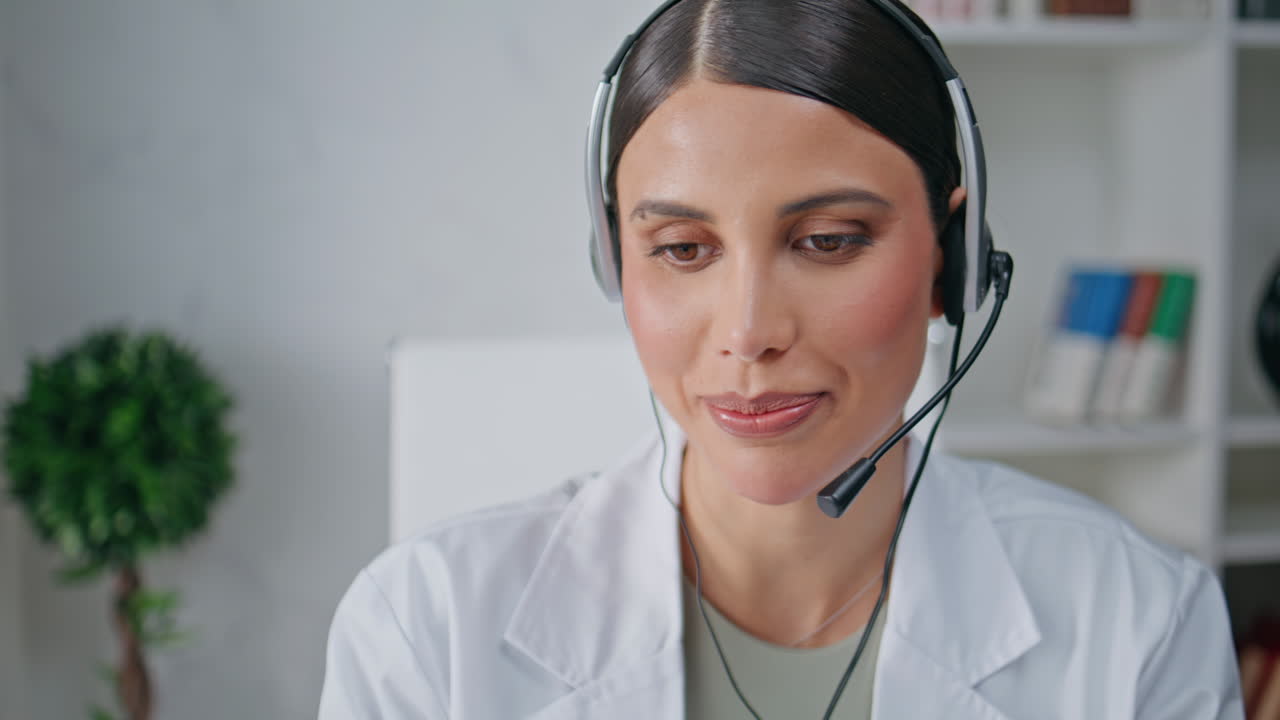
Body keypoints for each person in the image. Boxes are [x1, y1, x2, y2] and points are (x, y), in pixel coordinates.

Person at [318, 1, 1245, 717]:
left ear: (951, 263)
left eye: (831, 240)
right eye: (683, 249)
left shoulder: (1140, 621)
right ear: (616, 265)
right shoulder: (424, 626)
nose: (749, 330)